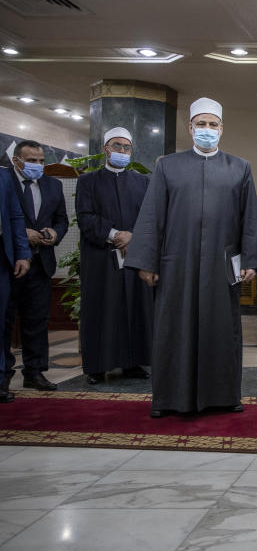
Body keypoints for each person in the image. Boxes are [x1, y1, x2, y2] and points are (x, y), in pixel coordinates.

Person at [125, 97, 257, 418]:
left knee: (222, 329)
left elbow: (250, 218)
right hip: (176, 264)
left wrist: (251, 260)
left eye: (212, 125)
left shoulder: (239, 168)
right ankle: (168, 399)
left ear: (221, 129)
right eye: (200, 124)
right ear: (190, 128)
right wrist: (147, 262)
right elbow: (152, 217)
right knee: (173, 328)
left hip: (221, 265)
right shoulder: (167, 166)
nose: (206, 130)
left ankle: (224, 396)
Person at [75, 127, 153, 384]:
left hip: (135, 254)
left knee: (134, 307)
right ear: (105, 149)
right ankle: (97, 366)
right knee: (101, 309)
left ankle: (133, 362)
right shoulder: (88, 181)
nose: (121, 151)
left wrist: (133, 236)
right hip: (101, 256)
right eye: (116, 146)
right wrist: (115, 235)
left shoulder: (143, 182)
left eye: (126, 147)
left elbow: (150, 217)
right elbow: (85, 217)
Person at [3, 140, 69, 391]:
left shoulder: (53, 184)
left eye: (41, 161)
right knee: (6, 320)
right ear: (17, 161)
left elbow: (61, 219)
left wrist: (55, 232)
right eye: (32, 161)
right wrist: (23, 232)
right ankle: (4, 373)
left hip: (41, 262)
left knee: (37, 320)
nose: (38, 165)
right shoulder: (5, 181)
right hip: (9, 263)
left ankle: (35, 371)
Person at [0, 172, 32, 403]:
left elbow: (14, 216)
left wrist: (22, 253)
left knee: (1, 321)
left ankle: (0, 379)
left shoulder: (3, 177)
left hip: (2, 259)